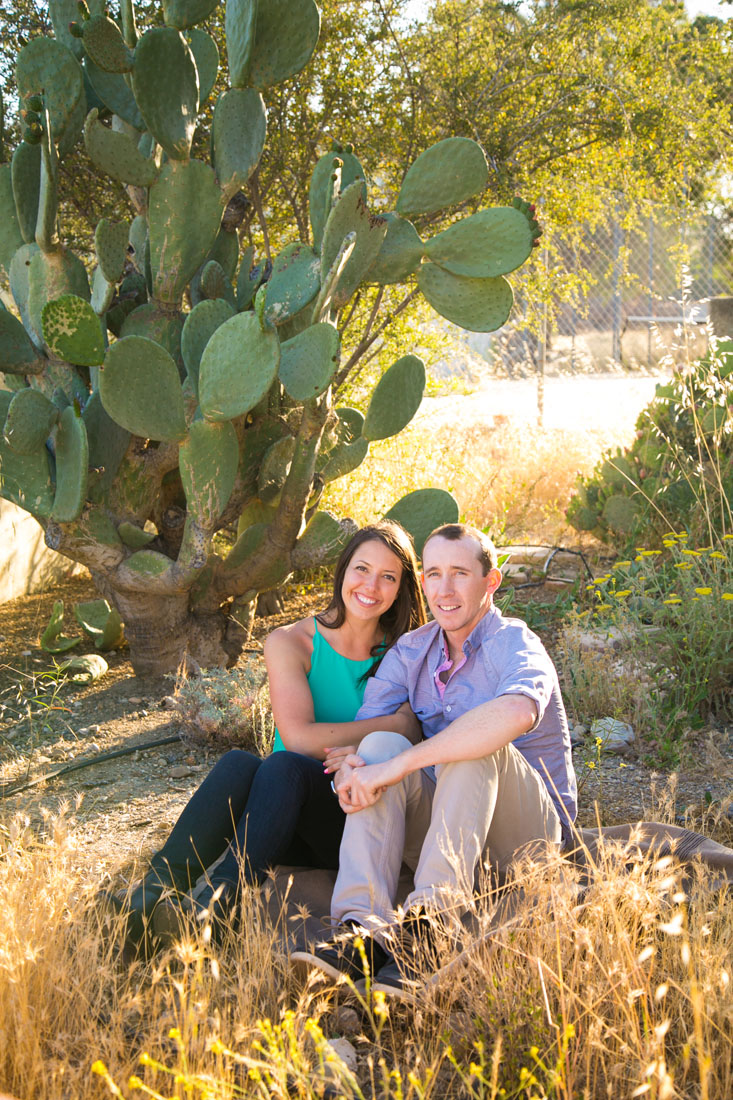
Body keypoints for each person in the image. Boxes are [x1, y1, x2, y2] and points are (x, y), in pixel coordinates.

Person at [107, 520, 427, 955]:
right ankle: (153, 899)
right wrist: (379, 731)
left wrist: (363, 745)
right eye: (361, 569)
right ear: (342, 571)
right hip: (277, 817)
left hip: (353, 823)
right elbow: (297, 737)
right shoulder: (290, 641)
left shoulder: (407, 650)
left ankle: (213, 911)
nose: (371, 586)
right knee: (242, 764)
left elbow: (411, 732)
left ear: (402, 587)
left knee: (281, 766)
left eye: (388, 577)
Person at [291, 523, 577, 998]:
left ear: (491, 582)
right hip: (449, 829)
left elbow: (514, 712)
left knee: (474, 746)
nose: (444, 590)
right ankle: (363, 933)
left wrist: (401, 765)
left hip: (525, 840)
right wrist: (354, 767)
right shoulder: (412, 649)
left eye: (460, 573)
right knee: (379, 748)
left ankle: (432, 929)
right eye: (433, 574)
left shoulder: (514, 642)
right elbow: (370, 736)